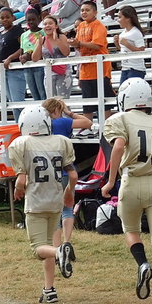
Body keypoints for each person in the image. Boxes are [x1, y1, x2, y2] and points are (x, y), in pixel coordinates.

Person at [102, 78, 152, 304]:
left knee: (131, 230)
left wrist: (110, 180)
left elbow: (118, 146)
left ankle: (142, 264)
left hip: (131, 182)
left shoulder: (119, 119)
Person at [9, 105, 77, 304]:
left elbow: (21, 180)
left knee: (39, 248)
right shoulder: (61, 142)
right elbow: (73, 174)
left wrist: (18, 190)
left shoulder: (20, 144)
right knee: (47, 244)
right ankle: (49, 290)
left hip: (37, 202)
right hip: (55, 201)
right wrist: (69, 192)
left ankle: (59, 252)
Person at [42, 97, 92, 252]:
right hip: (66, 168)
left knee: (54, 211)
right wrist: (70, 113)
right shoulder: (63, 122)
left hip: (48, 171)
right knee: (67, 207)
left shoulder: (44, 125)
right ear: (58, 109)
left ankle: (57, 248)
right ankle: (67, 242)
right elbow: (88, 123)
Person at [69, 1, 113, 121]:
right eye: (82, 10)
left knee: (104, 101)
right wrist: (74, 44)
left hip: (100, 69)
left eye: (87, 10)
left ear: (95, 12)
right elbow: (79, 46)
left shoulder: (99, 25)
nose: (84, 12)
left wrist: (78, 43)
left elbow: (97, 45)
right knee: (87, 103)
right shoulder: (81, 26)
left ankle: (106, 126)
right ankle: (87, 126)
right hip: (85, 69)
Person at [0, 8, 26, 122]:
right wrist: (0, 60)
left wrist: (11, 58)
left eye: (7, 17)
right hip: (5, 71)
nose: (5, 20)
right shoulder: (2, 33)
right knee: (12, 102)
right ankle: (18, 126)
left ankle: (24, 124)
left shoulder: (17, 30)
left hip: (15, 70)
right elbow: (3, 50)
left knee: (18, 101)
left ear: (13, 17)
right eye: (2, 18)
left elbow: (23, 47)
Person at [33, 16, 72, 98]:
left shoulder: (61, 37)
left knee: (63, 101)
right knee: (51, 102)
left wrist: (57, 40)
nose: (47, 26)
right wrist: (39, 44)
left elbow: (66, 53)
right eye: (45, 24)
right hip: (49, 73)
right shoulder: (41, 40)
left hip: (63, 72)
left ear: (56, 26)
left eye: (50, 23)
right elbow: (35, 59)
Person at [114, 5, 147, 83]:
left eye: (120, 17)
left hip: (135, 69)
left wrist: (127, 44)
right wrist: (116, 43)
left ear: (128, 18)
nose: (118, 20)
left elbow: (141, 51)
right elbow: (123, 50)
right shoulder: (123, 33)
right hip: (125, 68)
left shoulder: (136, 32)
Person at [20, 9, 46, 101]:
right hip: (27, 67)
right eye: (28, 20)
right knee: (34, 93)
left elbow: (46, 50)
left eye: (33, 19)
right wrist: (22, 57)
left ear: (38, 19)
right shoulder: (23, 35)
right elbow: (22, 51)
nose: (31, 22)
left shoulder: (44, 32)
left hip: (40, 65)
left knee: (42, 92)